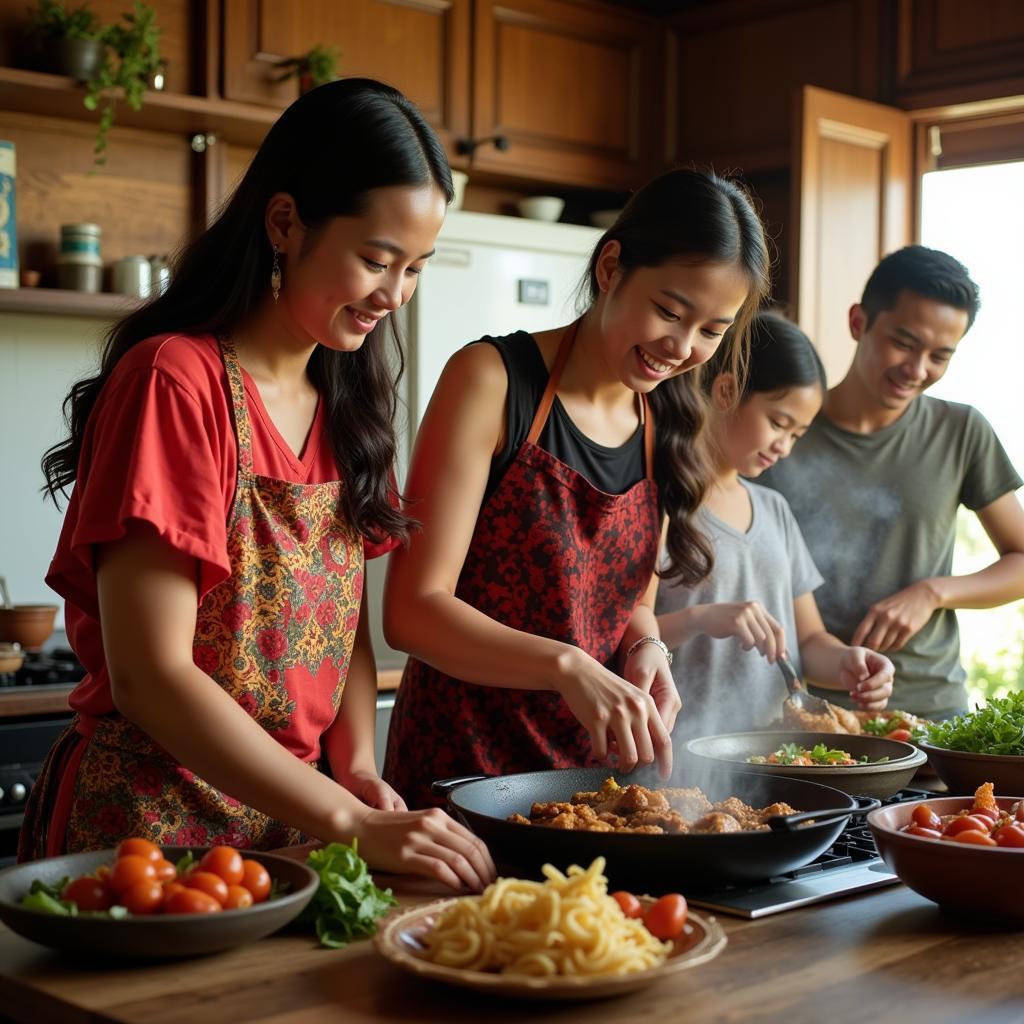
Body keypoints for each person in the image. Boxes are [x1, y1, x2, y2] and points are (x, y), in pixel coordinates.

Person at [21, 78, 495, 892]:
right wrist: (350, 820)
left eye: (415, 268)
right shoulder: (175, 380)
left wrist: (353, 772)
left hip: (294, 829)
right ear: (285, 222)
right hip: (150, 833)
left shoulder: (349, 404)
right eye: (376, 260)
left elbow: (340, 630)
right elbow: (150, 675)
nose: (395, 295)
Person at [381, 168, 771, 809]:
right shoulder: (492, 381)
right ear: (611, 267)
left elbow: (627, 607)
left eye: (712, 330)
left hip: (595, 787)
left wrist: (646, 647)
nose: (680, 347)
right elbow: (414, 611)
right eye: (669, 311)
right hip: (462, 774)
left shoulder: (665, 421)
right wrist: (568, 666)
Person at [761, 246, 1024, 719]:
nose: (918, 370)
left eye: (940, 356)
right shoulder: (777, 432)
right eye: (904, 343)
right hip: (806, 716)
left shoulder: (961, 430)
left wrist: (933, 592)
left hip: (931, 711)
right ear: (859, 322)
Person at [654, 311, 894, 736]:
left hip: (775, 759)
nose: (784, 446)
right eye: (778, 423)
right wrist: (701, 618)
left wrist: (847, 662)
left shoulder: (773, 509)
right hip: (681, 753)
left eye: (797, 434)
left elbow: (808, 641)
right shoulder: (661, 500)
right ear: (726, 390)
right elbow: (613, 638)